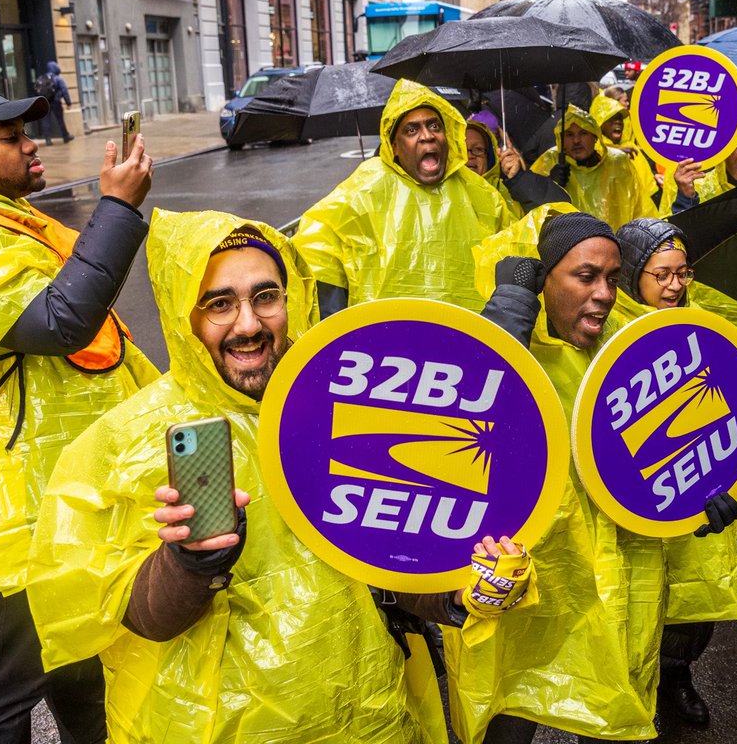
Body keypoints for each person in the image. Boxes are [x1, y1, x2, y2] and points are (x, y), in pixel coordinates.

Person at [28, 211, 532, 742]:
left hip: (367, 716)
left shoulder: (345, 404)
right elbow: (132, 616)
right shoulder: (122, 444)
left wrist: (462, 592)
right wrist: (188, 563)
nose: (248, 324)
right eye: (219, 303)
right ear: (184, 316)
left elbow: (388, 565)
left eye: (266, 297)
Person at [461, 208, 737, 744]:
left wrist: (694, 505)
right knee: (511, 690)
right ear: (543, 279)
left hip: (617, 567)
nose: (606, 293)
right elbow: (464, 418)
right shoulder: (514, 346)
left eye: (613, 279)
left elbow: (667, 449)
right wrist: (509, 313)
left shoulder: (630, 351)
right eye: (585, 276)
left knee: (617, 693)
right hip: (526, 568)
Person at [0, 91, 156, 742]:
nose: (34, 143)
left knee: (85, 673)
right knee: (10, 697)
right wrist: (116, 209)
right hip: (15, 519)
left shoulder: (15, 225)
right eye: (10, 136)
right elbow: (61, 321)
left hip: (67, 499)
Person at [615, 217, 737, 726]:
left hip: (699, 487)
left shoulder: (707, 325)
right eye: (663, 274)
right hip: (635, 503)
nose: (676, 285)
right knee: (637, 609)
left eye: (683, 272)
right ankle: (638, 696)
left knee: (695, 600)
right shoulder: (608, 331)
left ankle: (678, 677)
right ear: (633, 275)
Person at [293, 79, 514, 317]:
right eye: (412, 130)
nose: (427, 136)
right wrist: (335, 322)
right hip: (384, 343)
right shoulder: (364, 189)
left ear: (447, 136)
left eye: (434, 126)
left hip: (469, 340)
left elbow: (513, 256)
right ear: (394, 146)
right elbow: (317, 246)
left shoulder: (480, 194)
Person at [530, 105, 656, 227]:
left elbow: (641, 209)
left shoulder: (617, 162)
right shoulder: (550, 161)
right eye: (569, 135)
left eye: (583, 133)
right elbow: (531, 216)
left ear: (595, 137)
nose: (576, 141)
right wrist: (549, 187)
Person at [465, 110, 569, 219]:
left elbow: (561, 211)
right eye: (462, 149)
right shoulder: (446, 194)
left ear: (490, 156)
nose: (470, 155)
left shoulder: (507, 191)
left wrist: (519, 178)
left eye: (478, 149)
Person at [590, 93, 658, 203]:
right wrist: (613, 153)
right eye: (612, 118)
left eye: (620, 118)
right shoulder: (593, 150)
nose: (618, 122)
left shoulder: (630, 147)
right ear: (600, 123)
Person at [35, 62, 74, 145]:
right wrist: (68, 102)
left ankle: (48, 140)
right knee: (60, 120)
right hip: (56, 101)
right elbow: (64, 90)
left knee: (46, 121)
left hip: (45, 102)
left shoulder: (42, 78)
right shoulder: (58, 78)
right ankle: (65, 136)